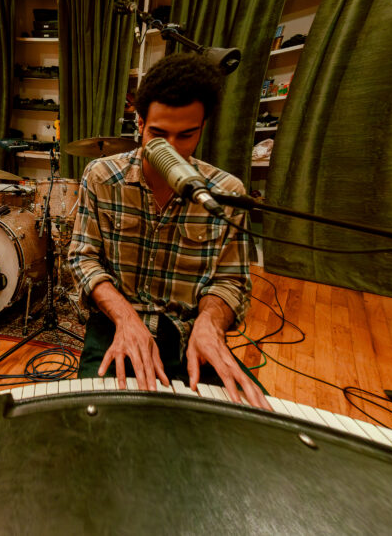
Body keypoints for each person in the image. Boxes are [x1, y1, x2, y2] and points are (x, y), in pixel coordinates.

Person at [68, 52, 269, 408]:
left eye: (186, 135)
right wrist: (125, 318)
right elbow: (83, 258)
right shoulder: (101, 177)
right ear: (140, 123)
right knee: (96, 420)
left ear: (202, 127)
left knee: (249, 421)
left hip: (188, 331)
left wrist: (210, 323)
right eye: (158, 135)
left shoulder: (226, 193)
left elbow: (231, 280)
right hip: (116, 322)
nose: (172, 150)